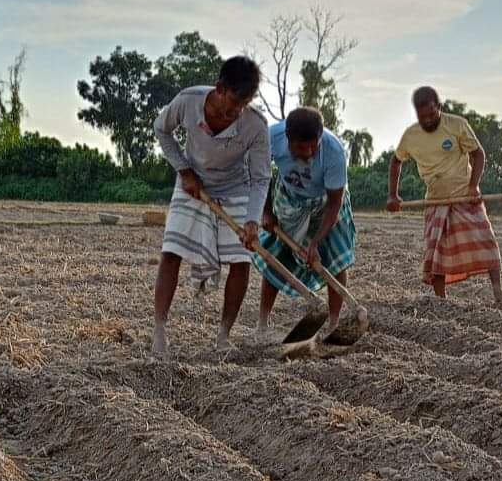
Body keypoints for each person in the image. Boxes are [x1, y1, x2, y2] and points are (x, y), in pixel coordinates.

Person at [151, 56, 271, 356]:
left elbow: (260, 178)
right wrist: (183, 170)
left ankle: (223, 336)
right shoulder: (188, 101)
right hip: (193, 181)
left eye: (243, 105)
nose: (235, 113)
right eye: (232, 104)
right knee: (171, 252)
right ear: (219, 88)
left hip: (236, 186)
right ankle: (159, 331)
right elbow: (161, 129)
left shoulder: (255, 125)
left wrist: (253, 221)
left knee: (242, 259)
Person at [387, 86, 502, 302]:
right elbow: (396, 162)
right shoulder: (411, 135)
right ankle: (440, 298)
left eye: (431, 114)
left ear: (440, 108)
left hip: (465, 195)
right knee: (437, 251)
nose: (427, 120)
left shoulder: (456, 125)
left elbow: (478, 154)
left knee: (486, 239)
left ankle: (498, 291)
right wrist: (393, 195)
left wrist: (474, 186)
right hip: (435, 199)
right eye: (422, 116)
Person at [252, 106, 356, 336]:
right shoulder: (270, 138)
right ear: (288, 138)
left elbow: (335, 204)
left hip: (325, 203)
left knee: (337, 260)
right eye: (301, 147)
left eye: (313, 145)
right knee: (276, 257)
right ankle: (262, 323)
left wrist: (316, 242)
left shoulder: (334, 152)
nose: (308, 152)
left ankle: (334, 323)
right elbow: (259, 176)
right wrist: (266, 212)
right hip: (288, 197)